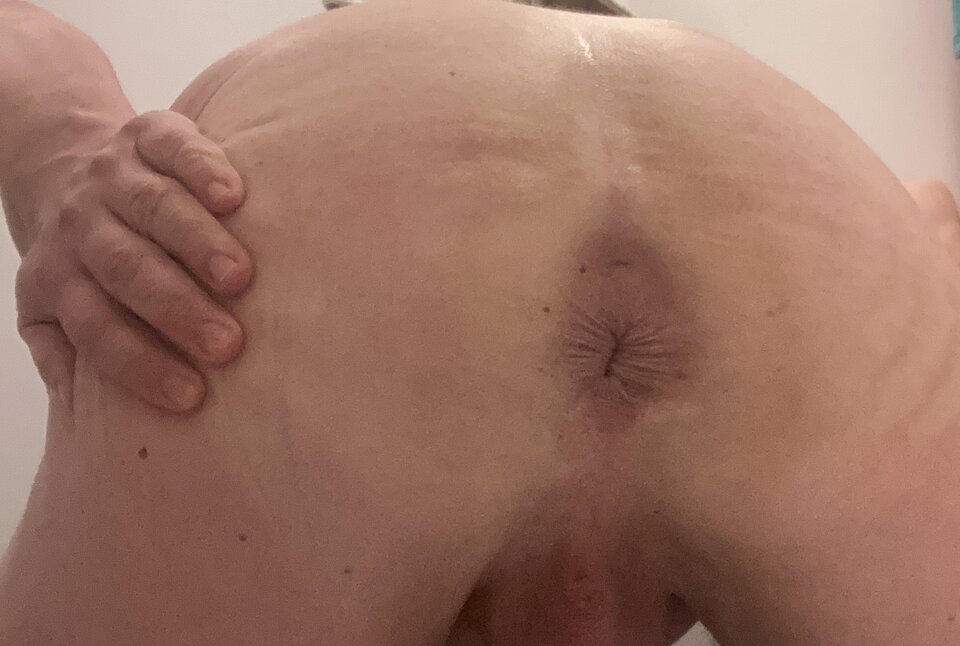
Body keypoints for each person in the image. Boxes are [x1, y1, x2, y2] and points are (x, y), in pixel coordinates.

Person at [1, 0, 959, 644]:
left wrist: (65, 141)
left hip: (286, 220)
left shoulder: (345, 75)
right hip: (800, 222)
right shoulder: (751, 119)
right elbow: (933, 219)